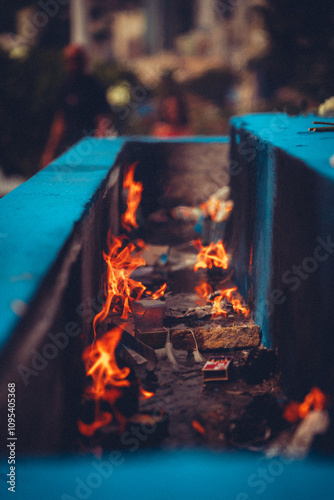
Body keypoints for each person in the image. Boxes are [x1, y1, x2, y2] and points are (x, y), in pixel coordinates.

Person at [40, 45, 112, 168]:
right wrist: (49, 151)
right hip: (70, 148)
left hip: (89, 148)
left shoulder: (94, 86)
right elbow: (60, 121)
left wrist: (97, 146)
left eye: (75, 59)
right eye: (68, 60)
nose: (72, 63)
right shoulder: (65, 87)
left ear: (83, 60)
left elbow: (103, 119)